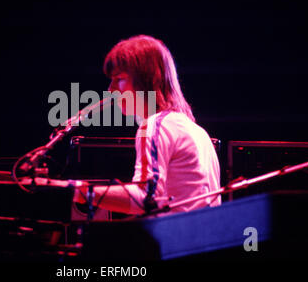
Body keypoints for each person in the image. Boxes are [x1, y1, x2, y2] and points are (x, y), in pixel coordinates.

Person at [73, 35, 221, 215]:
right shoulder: (198, 132)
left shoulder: (155, 125)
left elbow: (145, 199)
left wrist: (78, 191)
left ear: (145, 80)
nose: (110, 89)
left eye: (119, 78)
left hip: (175, 241)